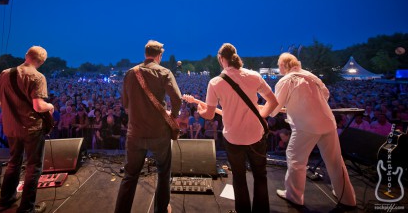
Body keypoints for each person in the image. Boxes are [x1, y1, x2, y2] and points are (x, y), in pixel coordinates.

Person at [196, 43, 278, 213]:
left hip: (233, 137)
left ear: (221, 59)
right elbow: (273, 102)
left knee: (239, 178)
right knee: (260, 176)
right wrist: (261, 117)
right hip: (256, 134)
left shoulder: (215, 82)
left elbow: (210, 115)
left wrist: (200, 111)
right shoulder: (254, 76)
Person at [270, 53, 356, 212]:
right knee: (335, 161)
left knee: (296, 159)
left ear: (284, 65)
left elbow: (274, 108)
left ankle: (294, 196)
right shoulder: (311, 76)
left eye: (279, 64)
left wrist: (275, 108)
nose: (278, 67)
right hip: (328, 122)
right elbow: (325, 95)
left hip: (306, 126)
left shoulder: (286, 80)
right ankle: (347, 198)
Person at [114, 40, 182, 213]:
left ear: (146, 54)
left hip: (135, 133)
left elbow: (125, 103)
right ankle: (161, 209)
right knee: (163, 172)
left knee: (130, 176)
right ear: (159, 55)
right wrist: (172, 116)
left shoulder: (130, 73)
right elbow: (177, 99)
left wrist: (138, 113)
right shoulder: (164, 72)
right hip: (159, 133)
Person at [0, 46, 54, 213]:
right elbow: (38, 106)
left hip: (11, 127)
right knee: (33, 167)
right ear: (42, 61)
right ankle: (26, 209)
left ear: (26, 55)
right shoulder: (38, 77)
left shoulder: (5, 73)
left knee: (13, 163)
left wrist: (11, 104)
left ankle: (6, 200)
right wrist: (50, 105)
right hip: (31, 128)